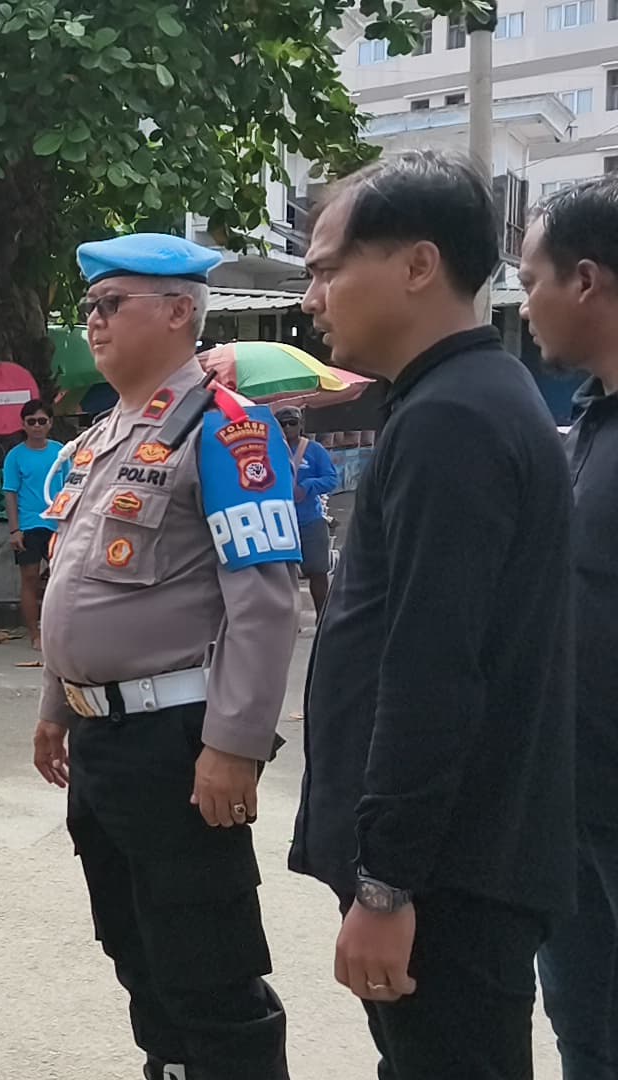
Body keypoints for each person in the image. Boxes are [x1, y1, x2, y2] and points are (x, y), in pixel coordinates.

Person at [294, 150, 573, 1079]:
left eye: (329, 268)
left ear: (418, 266)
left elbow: (433, 672)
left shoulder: (453, 419)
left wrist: (386, 881)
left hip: (449, 877)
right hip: (457, 864)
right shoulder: (459, 400)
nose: (312, 297)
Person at [31, 234, 301, 1080]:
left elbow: (264, 601)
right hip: (102, 742)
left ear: (180, 312)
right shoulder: (95, 442)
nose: (94, 323)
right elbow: (71, 588)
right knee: (137, 953)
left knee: (210, 971)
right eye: (89, 309)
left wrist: (235, 745)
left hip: (178, 743)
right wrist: (53, 707)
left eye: (112, 304)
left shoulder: (229, 432)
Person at [516, 177, 618, 1080]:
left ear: (586, 280)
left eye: (530, 277)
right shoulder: (585, 422)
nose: (523, 303)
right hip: (574, 805)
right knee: (586, 1033)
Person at [1, 398, 63, 648]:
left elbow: (72, 486)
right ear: (23, 425)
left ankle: (59, 632)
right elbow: (10, 493)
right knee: (29, 579)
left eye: (42, 421)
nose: (37, 426)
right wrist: (14, 530)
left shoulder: (62, 451)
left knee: (63, 578)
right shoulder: (15, 457)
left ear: (50, 424)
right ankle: (34, 634)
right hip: (29, 525)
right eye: (32, 422)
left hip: (59, 523)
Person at [275, 405, 339, 617]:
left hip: (310, 519)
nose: (287, 428)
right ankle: (288, 621)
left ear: (301, 425)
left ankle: (322, 619)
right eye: (282, 424)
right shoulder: (271, 449)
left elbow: (331, 479)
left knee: (318, 572)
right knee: (283, 575)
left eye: (292, 423)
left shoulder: (315, 450)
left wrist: (308, 486)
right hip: (280, 520)